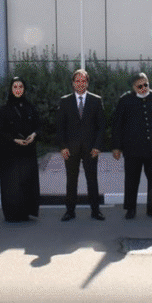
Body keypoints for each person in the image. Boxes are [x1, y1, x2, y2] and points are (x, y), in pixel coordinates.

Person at [111, 72, 152, 219]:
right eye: (140, 86)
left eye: (146, 84)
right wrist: (116, 147)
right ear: (133, 87)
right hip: (133, 149)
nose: (143, 88)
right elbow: (117, 125)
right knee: (131, 180)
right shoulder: (125, 100)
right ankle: (130, 209)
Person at [56, 68, 105, 221]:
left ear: (87, 83)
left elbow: (101, 126)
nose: (80, 83)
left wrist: (97, 146)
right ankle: (70, 211)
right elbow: (60, 126)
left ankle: (95, 211)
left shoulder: (96, 100)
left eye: (83, 80)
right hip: (70, 149)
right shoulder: (65, 101)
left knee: (92, 180)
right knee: (71, 181)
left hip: (91, 149)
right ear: (72, 83)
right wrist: (62, 147)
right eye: (77, 80)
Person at [0, 77, 41, 222]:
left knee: (27, 181)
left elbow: (38, 126)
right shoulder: (4, 109)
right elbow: (1, 131)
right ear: (11, 89)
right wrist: (14, 139)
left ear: (24, 89)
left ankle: (26, 212)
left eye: (20, 87)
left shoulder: (31, 107)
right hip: (11, 153)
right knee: (12, 183)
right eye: (15, 87)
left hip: (27, 152)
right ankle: (12, 214)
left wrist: (34, 135)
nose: (18, 90)